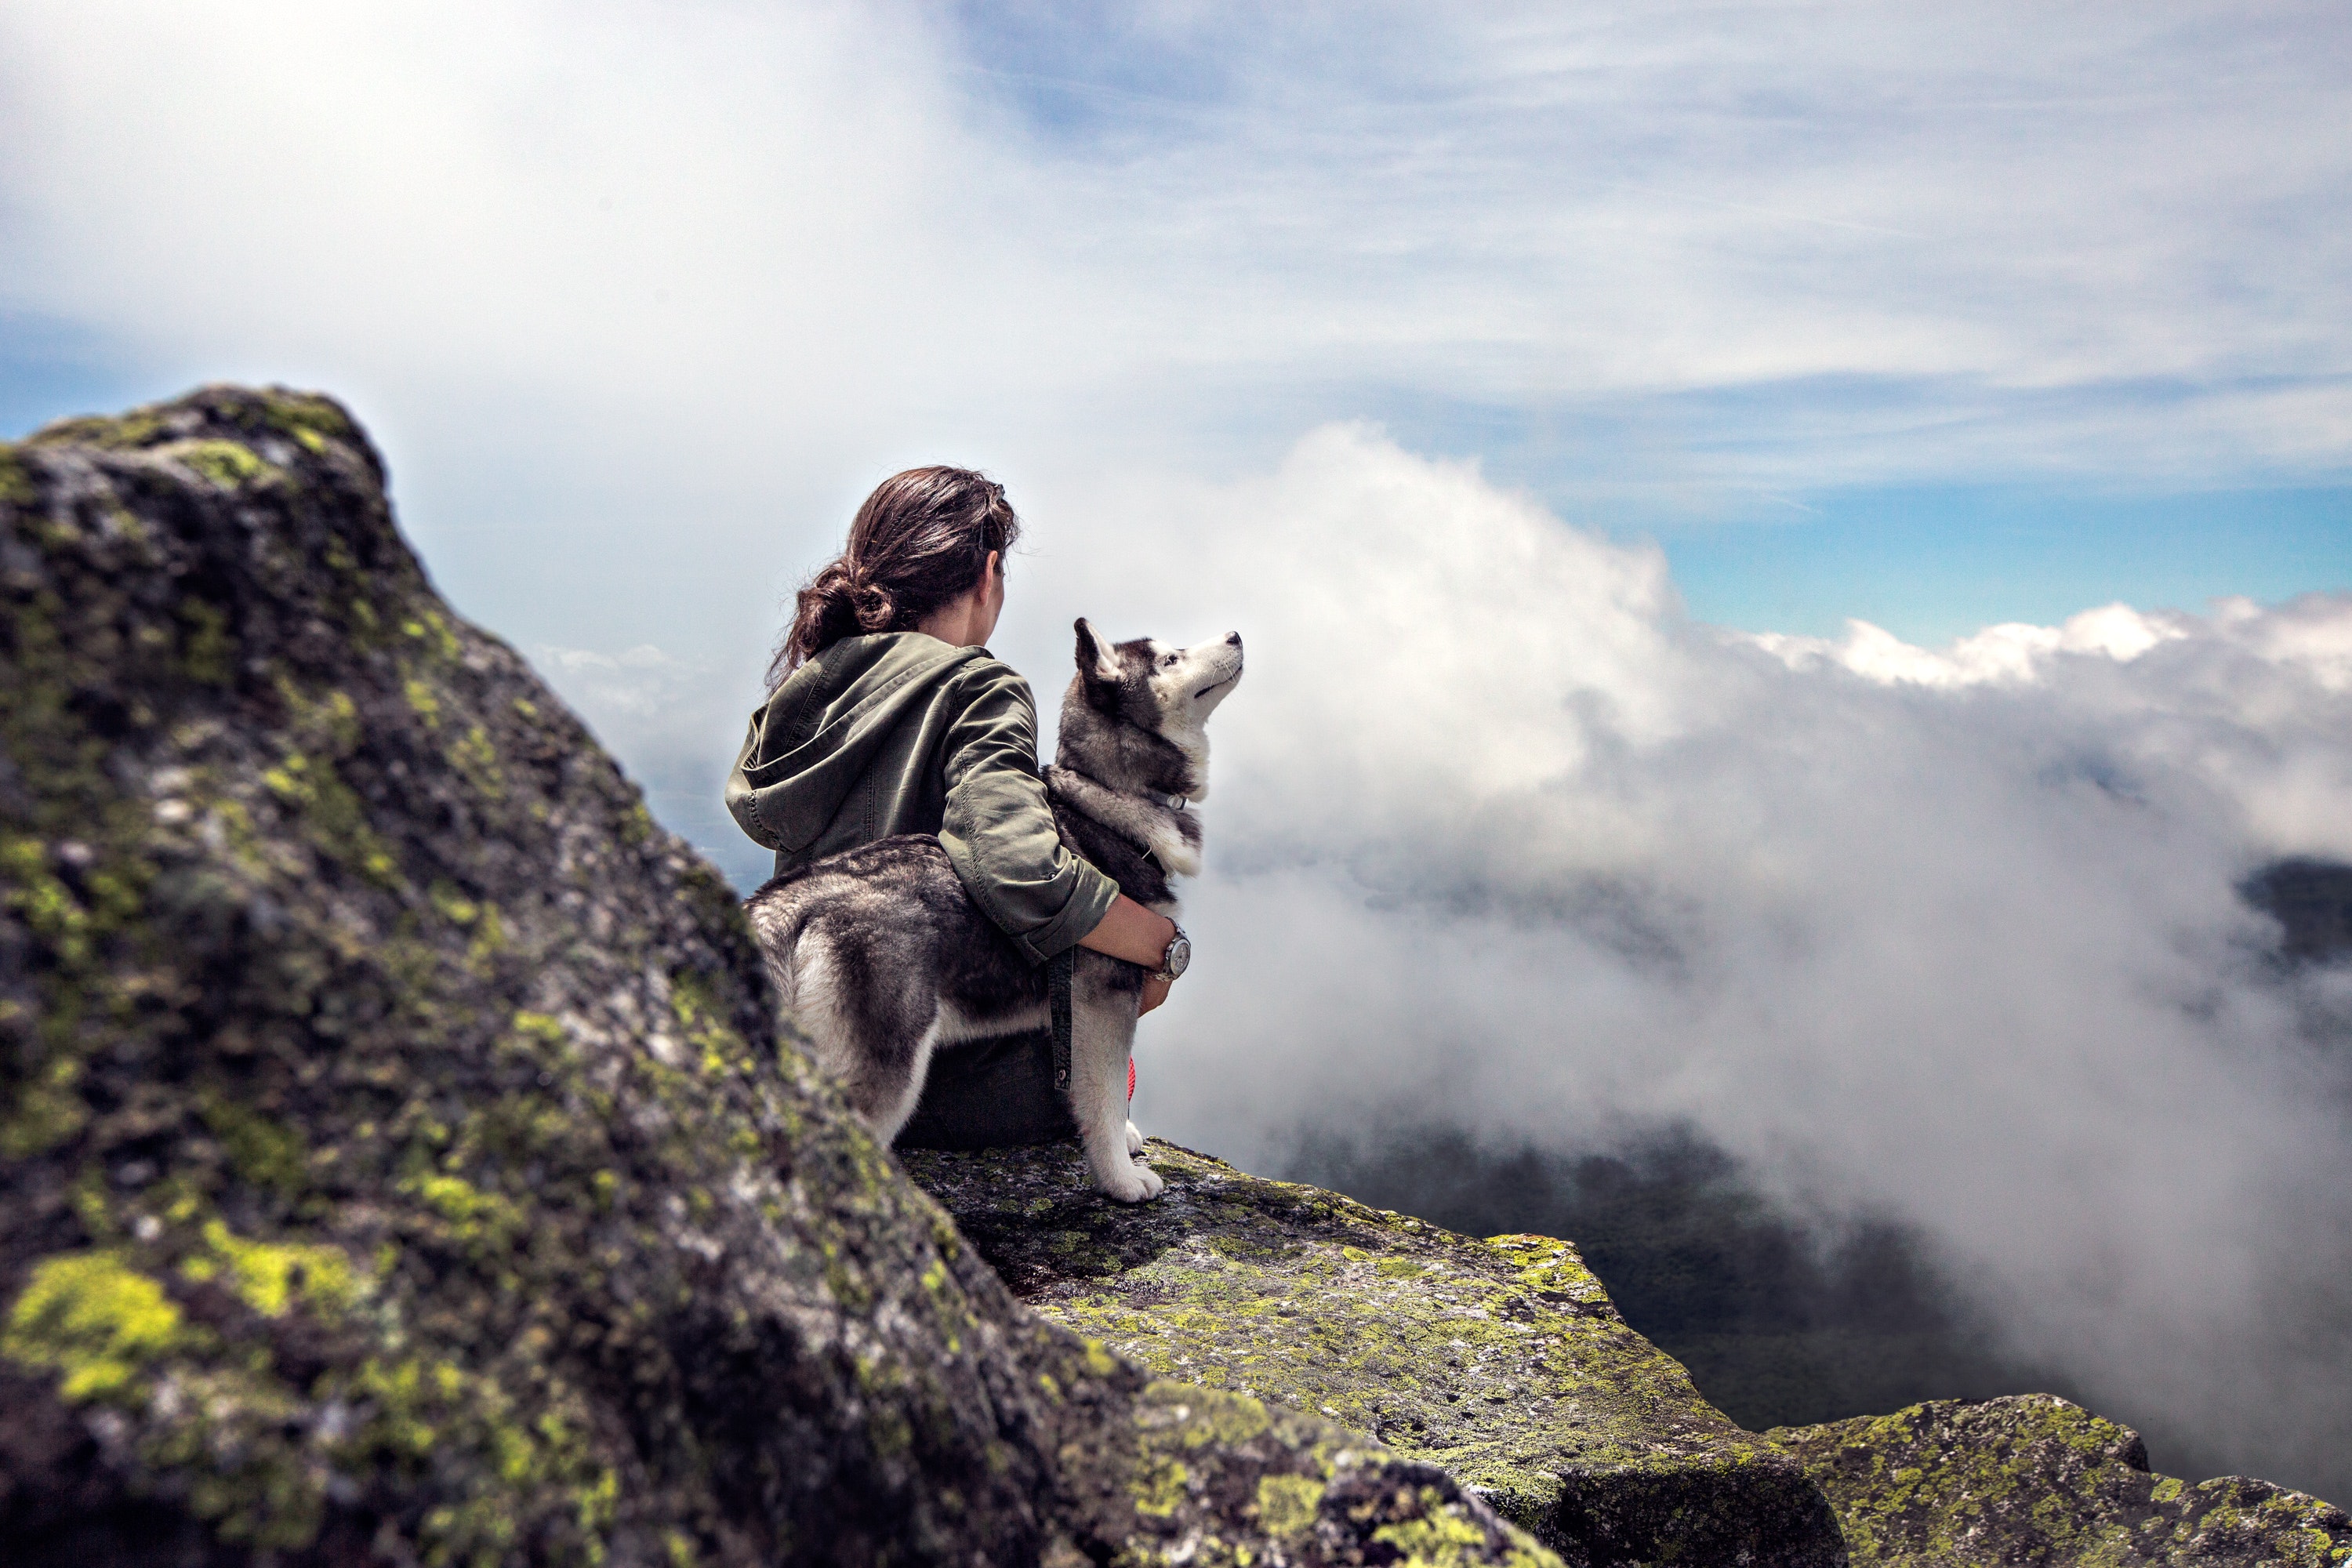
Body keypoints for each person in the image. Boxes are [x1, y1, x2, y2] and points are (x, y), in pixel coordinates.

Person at [724, 466, 1185, 1148]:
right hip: (958, 1096)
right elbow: (1019, 864)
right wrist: (1159, 945)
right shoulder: (978, 686)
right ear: (989, 571)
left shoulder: (808, 691)